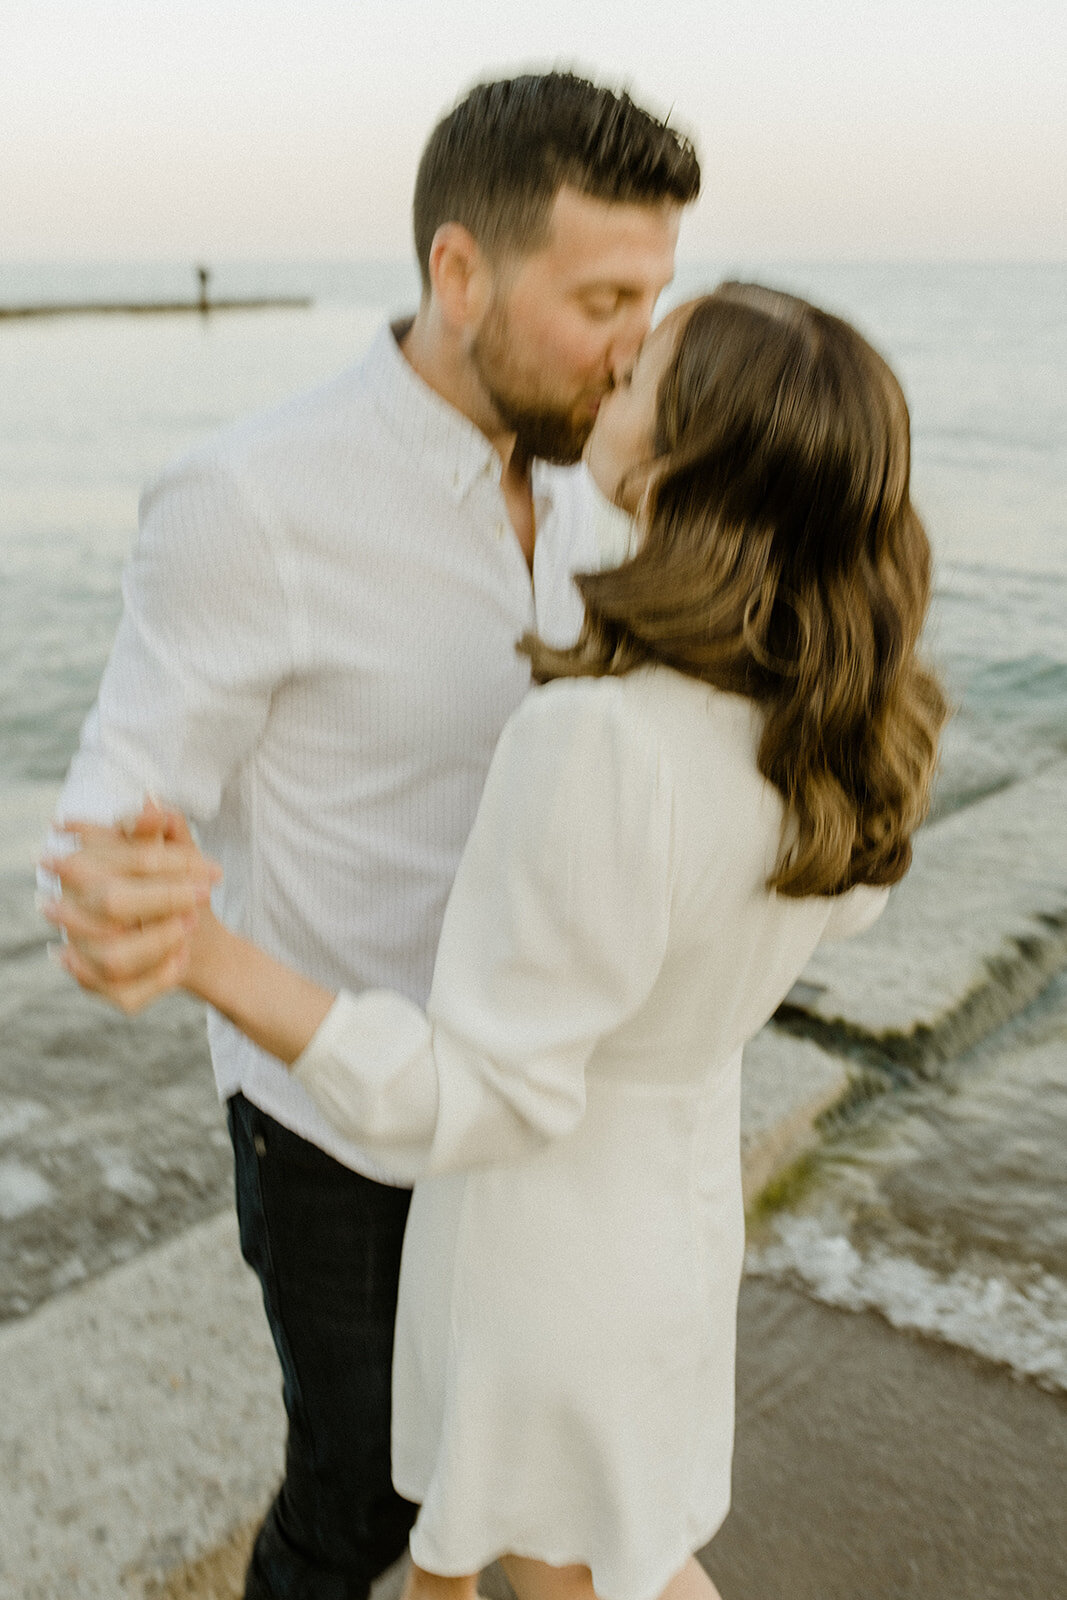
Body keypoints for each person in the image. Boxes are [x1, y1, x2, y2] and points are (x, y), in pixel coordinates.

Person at [44, 283, 949, 1600]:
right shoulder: (846, 722)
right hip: (676, 1221)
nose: (611, 376)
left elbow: (481, 1096)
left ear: (682, 459)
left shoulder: (602, 741)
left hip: (545, 1255)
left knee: (574, 1570)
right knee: (601, 1549)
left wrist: (206, 952)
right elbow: (824, 910)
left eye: (641, 375)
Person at [38, 72, 701, 1600]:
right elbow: (115, 796)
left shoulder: (615, 477)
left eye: (656, 300)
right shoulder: (252, 500)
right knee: (363, 1507)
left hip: (546, 1108)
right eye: (603, 296)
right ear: (458, 273)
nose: (637, 346)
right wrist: (122, 883)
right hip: (341, 1132)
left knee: (514, 1491)